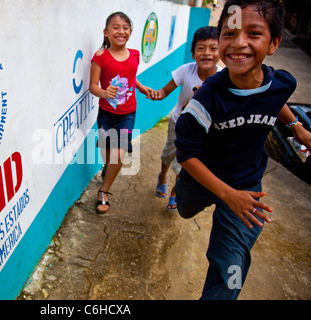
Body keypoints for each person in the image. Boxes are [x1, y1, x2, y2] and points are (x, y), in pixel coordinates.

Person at [174, 0, 311, 299]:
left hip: (246, 185)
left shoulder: (282, 83)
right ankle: (181, 193)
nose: (239, 43)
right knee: (184, 209)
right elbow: (185, 154)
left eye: (254, 33)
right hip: (200, 179)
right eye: (229, 33)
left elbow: (273, 99)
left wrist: (296, 126)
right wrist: (225, 194)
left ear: (274, 43)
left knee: (229, 272)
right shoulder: (205, 102)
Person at [151, 26, 222, 212]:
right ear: (193, 53)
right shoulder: (186, 70)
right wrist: (155, 94)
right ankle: (162, 176)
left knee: (185, 165)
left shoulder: (225, 77)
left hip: (203, 132)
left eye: (213, 48)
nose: (207, 53)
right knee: (168, 155)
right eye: (201, 48)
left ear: (221, 52)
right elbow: (165, 90)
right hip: (178, 124)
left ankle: (174, 193)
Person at [89, 12, 154, 214]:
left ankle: (104, 190)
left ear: (131, 32)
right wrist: (104, 92)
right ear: (106, 32)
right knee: (108, 154)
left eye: (125, 27)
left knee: (118, 154)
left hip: (128, 113)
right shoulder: (100, 57)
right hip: (106, 113)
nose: (121, 31)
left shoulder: (134, 54)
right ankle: (107, 172)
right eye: (115, 27)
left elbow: (130, 77)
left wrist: (142, 88)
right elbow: (92, 87)